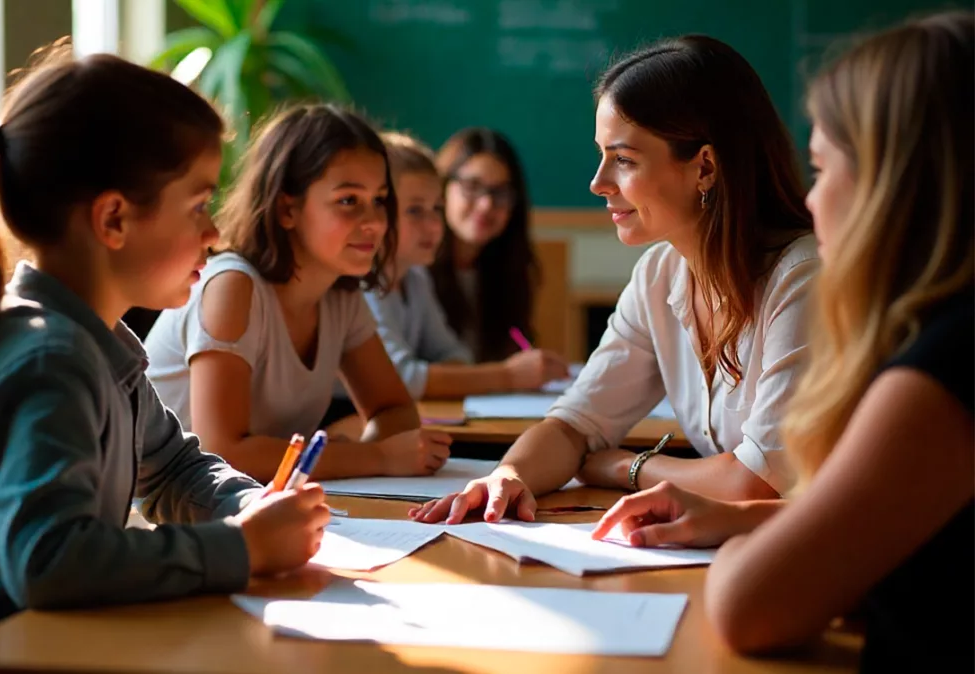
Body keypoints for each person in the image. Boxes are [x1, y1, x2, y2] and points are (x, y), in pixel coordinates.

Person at [589, 13, 973, 671]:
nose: (812, 202)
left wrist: (742, 535)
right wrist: (739, 518)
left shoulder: (944, 375)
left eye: (824, 169)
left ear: (897, 186)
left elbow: (747, 607)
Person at [0, 51, 328, 639]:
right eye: (200, 205)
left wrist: (250, 506)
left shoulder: (96, 340)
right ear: (114, 220)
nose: (215, 233)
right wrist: (241, 547)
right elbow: (50, 564)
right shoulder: (47, 359)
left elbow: (174, 468)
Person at [411, 34, 816, 525]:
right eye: (603, 156)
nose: (598, 182)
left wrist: (629, 466)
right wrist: (509, 475)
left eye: (623, 160)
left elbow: (755, 481)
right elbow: (576, 424)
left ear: (705, 167)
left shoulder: (801, 278)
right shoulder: (659, 273)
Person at [145, 105, 452, 484]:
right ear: (287, 209)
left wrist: (351, 457)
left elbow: (395, 412)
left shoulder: (340, 294)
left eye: (379, 200)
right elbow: (223, 452)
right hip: (163, 516)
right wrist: (373, 457)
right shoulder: (233, 287)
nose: (373, 221)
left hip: (252, 506)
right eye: (348, 201)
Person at [364, 131, 569, 400]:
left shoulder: (415, 279)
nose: (433, 225)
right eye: (415, 210)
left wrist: (445, 377)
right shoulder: (365, 284)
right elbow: (399, 378)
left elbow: (455, 354)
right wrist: (507, 375)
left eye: (437, 209)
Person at [428, 127, 545, 363]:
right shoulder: (415, 270)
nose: (486, 204)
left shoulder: (507, 270)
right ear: (442, 189)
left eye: (500, 192)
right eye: (472, 186)